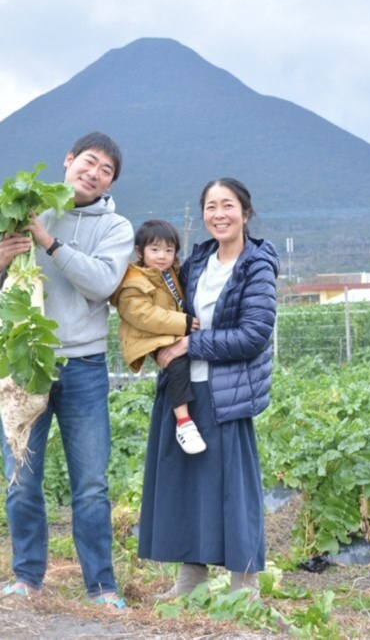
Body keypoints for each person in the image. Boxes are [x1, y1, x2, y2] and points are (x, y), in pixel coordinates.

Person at [0, 132, 134, 611]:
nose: (94, 173)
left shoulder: (115, 227)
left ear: (111, 183)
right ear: (68, 160)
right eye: (89, 162)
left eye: (106, 170)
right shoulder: (22, 208)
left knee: (91, 484)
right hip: (23, 363)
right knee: (21, 476)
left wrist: (50, 242)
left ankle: (101, 587)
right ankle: (27, 578)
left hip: (83, 366)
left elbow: (102, 283)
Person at [137, 177, 279, 598]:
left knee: (234, 490)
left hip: (227, 393)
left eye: (228, 205)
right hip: (185, 390)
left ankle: (244, 587)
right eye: (211, 206)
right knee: (187, 484)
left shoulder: (257, 265)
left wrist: (189, 344)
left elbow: (253, 334)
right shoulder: (196, 262)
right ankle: (190, 582)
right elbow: (163, 309)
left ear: (245, 213)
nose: (219, 214)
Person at [110, 220, 206, 454]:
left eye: (169, 250)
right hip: (148, 336)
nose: (162, 256)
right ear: (139, 252)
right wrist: (183, 323)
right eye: (155, 249)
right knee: (177, 363)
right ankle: (184, 422)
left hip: (166, 331)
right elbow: (143, 315)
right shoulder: (133, 281)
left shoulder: (170, 273)